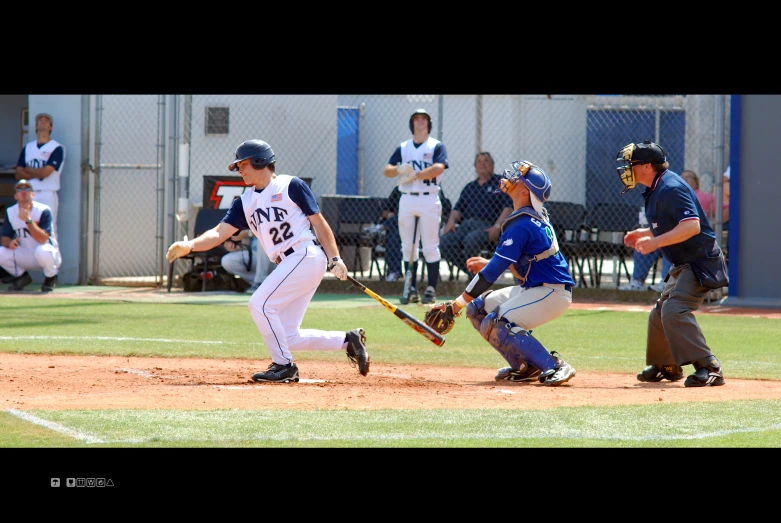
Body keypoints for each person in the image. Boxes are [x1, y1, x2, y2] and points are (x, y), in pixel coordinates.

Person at [166, 139, 370, 383]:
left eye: (243, 164)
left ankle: (284, 366)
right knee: (287, 335)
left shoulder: (290, 185)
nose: (239, 170)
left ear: (260, 161)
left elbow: (319, 223)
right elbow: (219, 234)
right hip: (289, 262)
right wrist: (189, 245)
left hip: (304, 255)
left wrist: (335, 258)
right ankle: (348, 341)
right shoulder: (245, 201)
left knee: (260, 304)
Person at [427, 160, 577, 386]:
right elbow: (524, 259)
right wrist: (491, 262)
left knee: (499, 321)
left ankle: (554, 364)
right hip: (534, 288)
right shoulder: (529, 217)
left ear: (525, 192)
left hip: (551, 293)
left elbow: (492, 274)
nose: (512, 177)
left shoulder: (522, 223)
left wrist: (455, 305)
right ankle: (525, 366)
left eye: (519, 178)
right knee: (476, 308)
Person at [616, 140, 727, 387]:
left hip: (699, 260)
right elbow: (671, 225)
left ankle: (709, 366)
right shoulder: (657, 187)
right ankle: (666, 364)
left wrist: (655, 243)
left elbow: (691, 226)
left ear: (646, 166)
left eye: (631, 164)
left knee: (674, 309)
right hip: (684, 261)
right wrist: (646, 233)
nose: (626, 170)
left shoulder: (670, 187)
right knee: (659, 313)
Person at [383, 108, 449, 305]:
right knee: (408, 246)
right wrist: (399, 169)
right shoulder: (404, 147)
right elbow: (387, 170)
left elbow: (439, 167)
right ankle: (410, 287)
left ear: (428, 124)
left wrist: (416, 175)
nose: (420, 122)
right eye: (416, 119)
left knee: (430, 245)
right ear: (411, 124)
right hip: (407, 198)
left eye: (423, 119)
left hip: (429, 198)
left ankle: (430, 289)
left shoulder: (436, 145)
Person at [621, 168, 714, 293]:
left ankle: (667, 282)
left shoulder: (702, 196)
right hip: (680, 236)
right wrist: (645, 233)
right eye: (683, 177)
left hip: (694, 241)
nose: (684, 179)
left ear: (696, 182)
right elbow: (668, 225)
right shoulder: (670, 194)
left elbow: (692, 225)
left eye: (689, 177)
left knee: (668, 244)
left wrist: (713, 221)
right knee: (645, 244)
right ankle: (636, 282)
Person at [440, 152, 513, 279]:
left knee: (471, 240)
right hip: (466, 226)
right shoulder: (470, 187)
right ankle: (474, 274)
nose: (482, 164)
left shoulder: (500, 184)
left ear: (492, 165)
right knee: (445, 242)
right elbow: (457, 209)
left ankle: (476, 277)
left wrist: (496, 227)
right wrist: (451, 221)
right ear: (475, 166)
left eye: (486, 161)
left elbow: (508, 208)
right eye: (479, 161)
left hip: (486, 227)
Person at [0, 179, 61, 292]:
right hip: (25, 253)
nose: (24, 192)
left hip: (46, 254)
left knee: (43, 251)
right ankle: (22, 277)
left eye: (27, 189)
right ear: (15, 196)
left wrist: (28, 221)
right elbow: (5, 238)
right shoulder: (11, 211)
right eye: (20, 189)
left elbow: (43, 239)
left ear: (33, 194)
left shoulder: (43, 210)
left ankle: (50, 277)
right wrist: (10, 243)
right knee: (1, 252)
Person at [15, 113, 65, 227]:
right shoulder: (28, 147)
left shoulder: (57, 148)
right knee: (25, 227)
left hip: (47, 193)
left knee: (47, 228)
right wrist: (37, 173)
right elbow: (18, 174)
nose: (43, 121)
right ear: (36, 126)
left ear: (51, 127)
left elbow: (45, 173)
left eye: (46, 120)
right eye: (40, 120)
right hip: (28, 193)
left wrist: (28, 170)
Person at [220, 229, 274, 293]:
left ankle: (260, 280)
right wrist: (236, 246)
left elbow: (268, 232)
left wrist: (248, 233)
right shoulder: (249, 219)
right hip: (256, 257)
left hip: (276, 259)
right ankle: (264, 283)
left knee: (262, 240)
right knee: (227, 261)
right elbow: (245, 242)